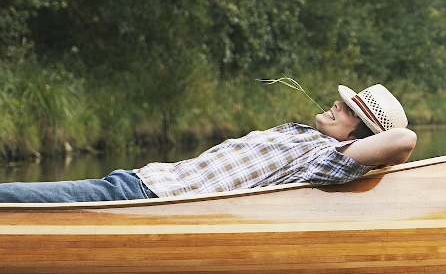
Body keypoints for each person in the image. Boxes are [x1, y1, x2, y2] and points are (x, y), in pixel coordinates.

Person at [0, 83, 417, 203]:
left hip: (149, 202)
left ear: (355, 135)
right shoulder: (303, 134)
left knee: (15, 197)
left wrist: (367, 140)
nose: (334, 105)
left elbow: (403, 140)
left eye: (346, 110)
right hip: (139, 183)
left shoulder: (326, 157)